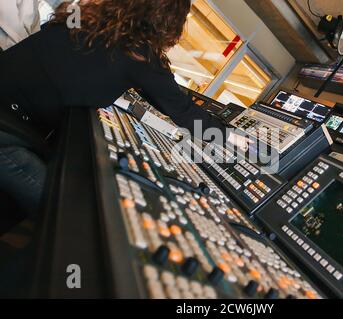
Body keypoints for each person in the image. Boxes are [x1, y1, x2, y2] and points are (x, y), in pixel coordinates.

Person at [0, 0, 250, 218]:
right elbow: (182, 110)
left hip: (12, 120)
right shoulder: (140, 55)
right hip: (7, 135)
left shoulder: (84, 19)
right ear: (169, 20)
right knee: (67, 214)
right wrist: (229, 136)